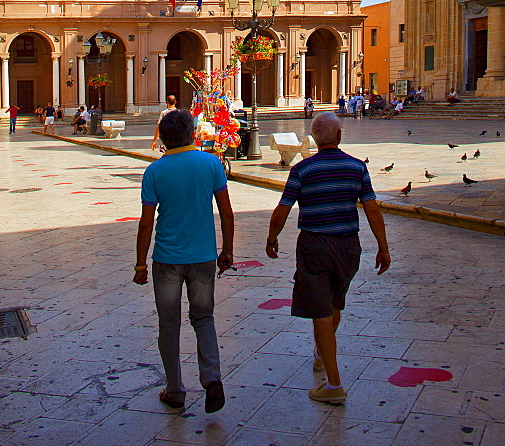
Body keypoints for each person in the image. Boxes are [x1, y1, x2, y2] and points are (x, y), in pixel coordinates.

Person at [265, 112, 390, 405]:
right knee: (333, 303)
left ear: (314, 138)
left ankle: (334, 384)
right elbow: (372, 209)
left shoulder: (302, 170)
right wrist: (383, 247)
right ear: (340, 135)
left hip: (315, 245)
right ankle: (322, 352)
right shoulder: (357, 167)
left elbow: (283, 209)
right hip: (349, 247)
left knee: (321, 311)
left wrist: (272, 239)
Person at [133, 109, 234, 413]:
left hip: (167, 260)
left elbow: (146, 223)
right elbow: (227, 213)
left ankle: (175, 389)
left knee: (168, 324)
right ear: (193, 133)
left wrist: (140, 264)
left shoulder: (155, 171)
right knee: (203, 318)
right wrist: (227, 251)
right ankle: (212, 378)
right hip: (203, 258)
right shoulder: (211, 163)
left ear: (163, 138)